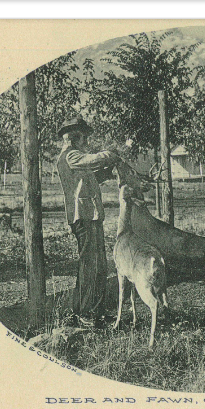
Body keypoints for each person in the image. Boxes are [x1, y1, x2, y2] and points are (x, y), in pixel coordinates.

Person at [56, 117, 121, 324]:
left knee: (98, 265)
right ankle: (85, 313)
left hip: (90, 216)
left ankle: (96, 312)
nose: (87, 141)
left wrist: (104, 173)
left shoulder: (76, 158)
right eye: (85, 137)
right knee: (89, 266)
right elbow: (91, 161)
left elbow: (87, 178)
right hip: (82, 217)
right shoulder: (70, 155)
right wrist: (110, 155)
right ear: (76, 137)